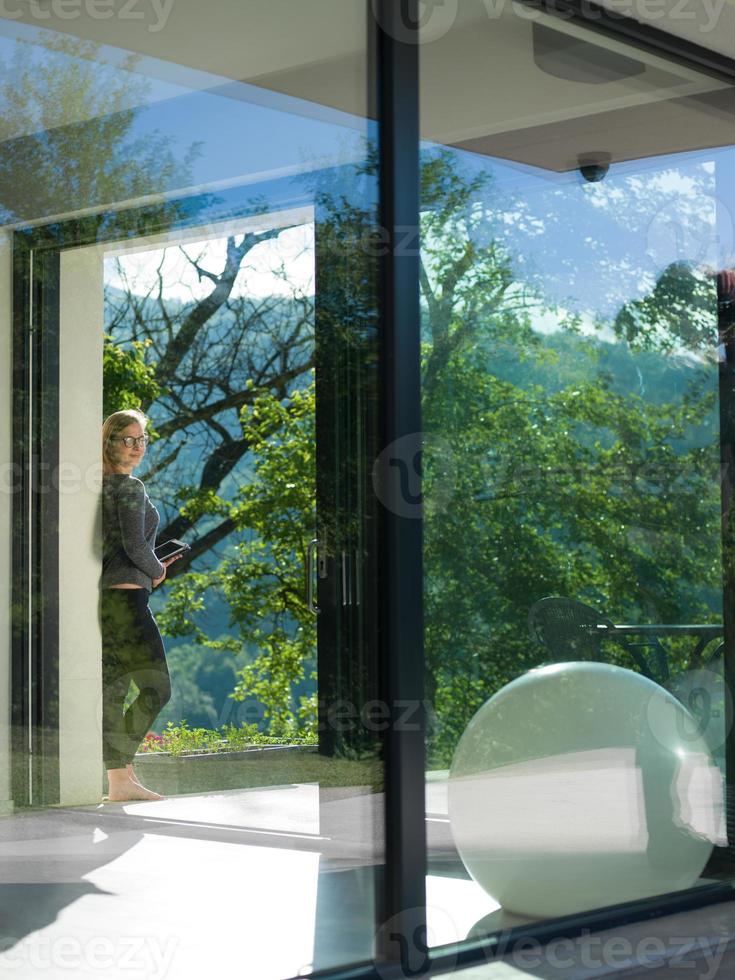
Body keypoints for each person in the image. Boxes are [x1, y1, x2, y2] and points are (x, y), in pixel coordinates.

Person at [100, 409, 182, 802]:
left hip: (109, 599)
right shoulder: (129, 487)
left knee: (115, 689)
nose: (135, 448)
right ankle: (119, 766)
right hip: (130, 597)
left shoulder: (102, 485)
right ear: (109, 442)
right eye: (127, 440)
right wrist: (158, 570)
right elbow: (135, 547)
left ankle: (120, 782)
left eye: (141, 440)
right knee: (157, 688)